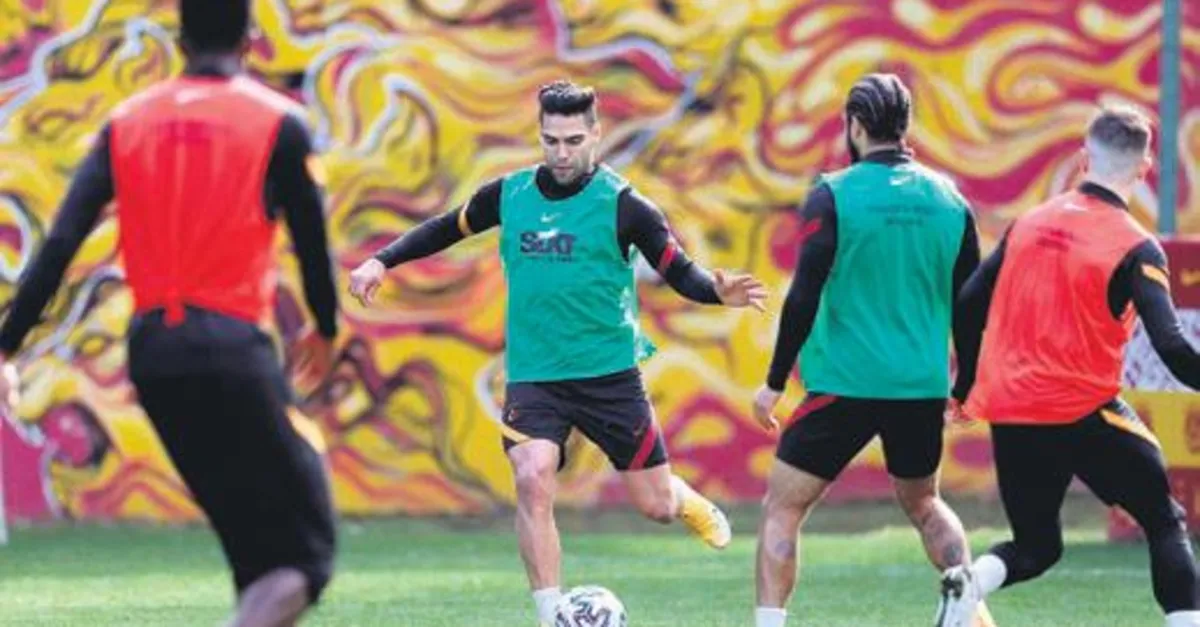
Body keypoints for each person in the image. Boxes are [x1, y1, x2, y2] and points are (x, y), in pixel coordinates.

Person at [348, 79, 765, 626]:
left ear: (595, 134)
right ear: (540, 136)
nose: (562, 153)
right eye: (551, 141)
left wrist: (716, 291)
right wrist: (380, 260)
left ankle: (680, 498)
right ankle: (550, 617)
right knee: (532, 474)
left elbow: (679, 271)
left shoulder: (626, 206)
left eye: (573, 141)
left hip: (610, 377)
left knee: (656, 506)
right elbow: (446, 228)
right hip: (535, 376)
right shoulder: (511, 194)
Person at [0, 2, 341, 625]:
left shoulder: (126, 121)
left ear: (180, 40)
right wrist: (325, 328)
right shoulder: (279, 122)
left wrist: (5, 346)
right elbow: (314, 249)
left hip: (154, 356)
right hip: (233, 350)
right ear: (250, 39)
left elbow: (60, 243)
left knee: (257, 557)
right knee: (305, 558)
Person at [936, 107, 1200, 627]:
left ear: (1084, 159)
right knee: (1164, 520)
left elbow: (967, 302)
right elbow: (1171, 346)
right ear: (1144, 168)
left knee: (1036, 546)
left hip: (1012, 409)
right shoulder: (1136, 246)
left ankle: (970, 583)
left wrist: (964, 386)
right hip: (1082, 409)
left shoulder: (1028, 223)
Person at [751, 73, 994, 627]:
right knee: (925, 503)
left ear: (855, 125)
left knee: (783, 507)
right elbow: (970, 306)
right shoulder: (950, 201)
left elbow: (804, 295)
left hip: (843, 385)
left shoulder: (833, 194)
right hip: (919, 387)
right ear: (905, 126)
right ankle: (973, 616)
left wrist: (773, 381)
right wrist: (965, 384)